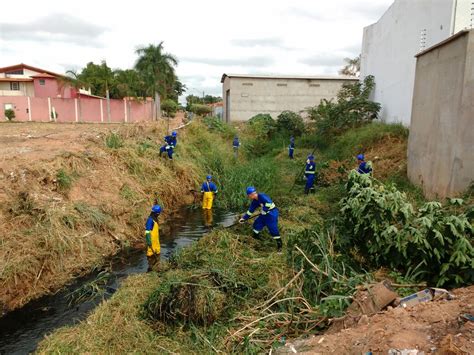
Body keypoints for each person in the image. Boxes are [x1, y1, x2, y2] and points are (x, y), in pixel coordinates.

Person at [239, 186, 282, 252]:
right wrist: (244, 218)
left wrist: (264, 209)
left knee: (272, 228)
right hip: (264, 214)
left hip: (272, 213)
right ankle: (256, 238)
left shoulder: (261, 196)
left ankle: (279, 246)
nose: (249, 197)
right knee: (257, 223)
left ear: (251, 194)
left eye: (249, 196)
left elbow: (269, 203)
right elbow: (250, 211)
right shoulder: (254, 202)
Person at [145, 205, 162, 272]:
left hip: (156, 242)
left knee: (157, 257)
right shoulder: (150, 220)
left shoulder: (155, 219)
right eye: (158, 213)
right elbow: (147, 231)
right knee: (151, 258)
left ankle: (157, 270)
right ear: (157, 213)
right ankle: (150, 272)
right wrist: (149, 241)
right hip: (151, 243)